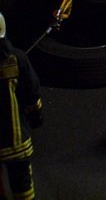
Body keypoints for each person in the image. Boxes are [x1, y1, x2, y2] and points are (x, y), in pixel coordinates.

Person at [0, 12, 44, 200]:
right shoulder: (17, 59)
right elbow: (32, 93)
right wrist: (36, 117)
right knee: (22, 185)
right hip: (16, 141)